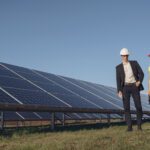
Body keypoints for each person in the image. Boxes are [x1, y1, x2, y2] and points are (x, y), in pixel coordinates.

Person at [116, 48, 144, 131]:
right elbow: (118, 80)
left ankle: (139, 126)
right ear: (121, 56)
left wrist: (139, 81)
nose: (125, 57)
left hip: (134, 86)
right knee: (126, 108)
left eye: (126, 55)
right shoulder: (118, 68)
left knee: (138, 106)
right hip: (125, 88)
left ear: (128, 55)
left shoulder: (134, 63)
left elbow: (142, 73)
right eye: (123, 56)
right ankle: (129, 127)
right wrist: (119, 90)